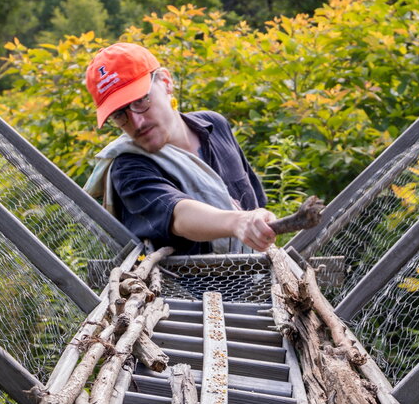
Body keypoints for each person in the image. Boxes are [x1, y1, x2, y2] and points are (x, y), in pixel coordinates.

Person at [83, 42, 275, 255]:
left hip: (259, 279)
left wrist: (257, 220)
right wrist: (238, 222)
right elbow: (178, 214)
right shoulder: (128, 166)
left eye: (140, 101)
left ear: (165, 82)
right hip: (185, 288)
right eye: (119, 114)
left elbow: (255, 201)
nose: (136, 122)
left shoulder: (215, 126)